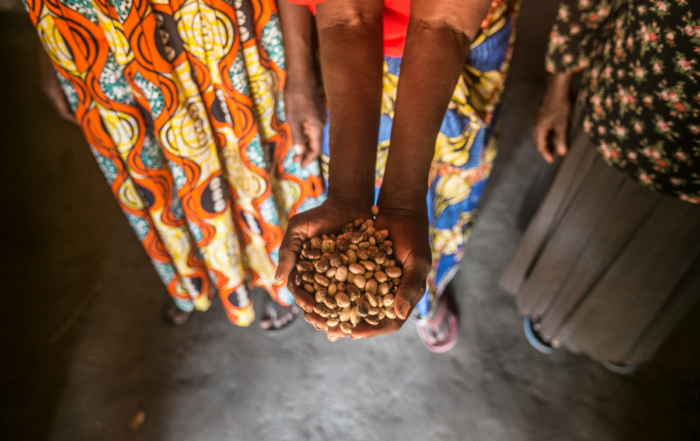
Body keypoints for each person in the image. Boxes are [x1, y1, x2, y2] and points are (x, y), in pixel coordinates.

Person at [30, 0, 326, 331]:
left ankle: (275, 275)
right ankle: (202, 276)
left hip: (207, 17)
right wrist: (46, 46)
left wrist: (300, 77)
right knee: (152, 161)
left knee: (249, 144)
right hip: (88, 20)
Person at [276, 0, 519, 351]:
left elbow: (444, 24)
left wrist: (405, 202)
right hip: (346, 53)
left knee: (449, 181)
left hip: (459, 42)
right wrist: (346, 193)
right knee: (368, 186)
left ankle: (430, 293)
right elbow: (347, 17)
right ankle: (421, 292)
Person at [500, 0, 700, 371]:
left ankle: (611, 329)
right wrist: (559, 87)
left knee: (663, 256)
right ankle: (559, 309)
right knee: (581, 223)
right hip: (628, 109)